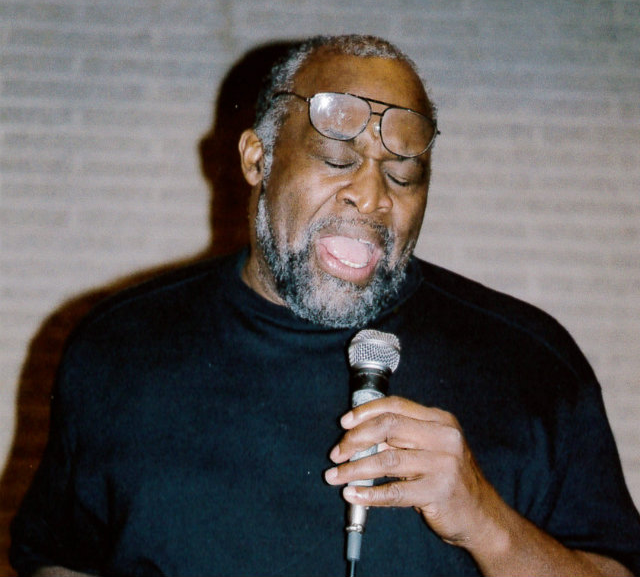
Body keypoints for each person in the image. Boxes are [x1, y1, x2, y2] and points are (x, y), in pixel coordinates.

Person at [10, 35, 640, 577]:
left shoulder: (531, 363)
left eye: (403, 174)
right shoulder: (120, 347)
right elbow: (60, 558)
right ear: (258, 159)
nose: (371, 196)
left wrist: (485, 521)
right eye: (338, 158)